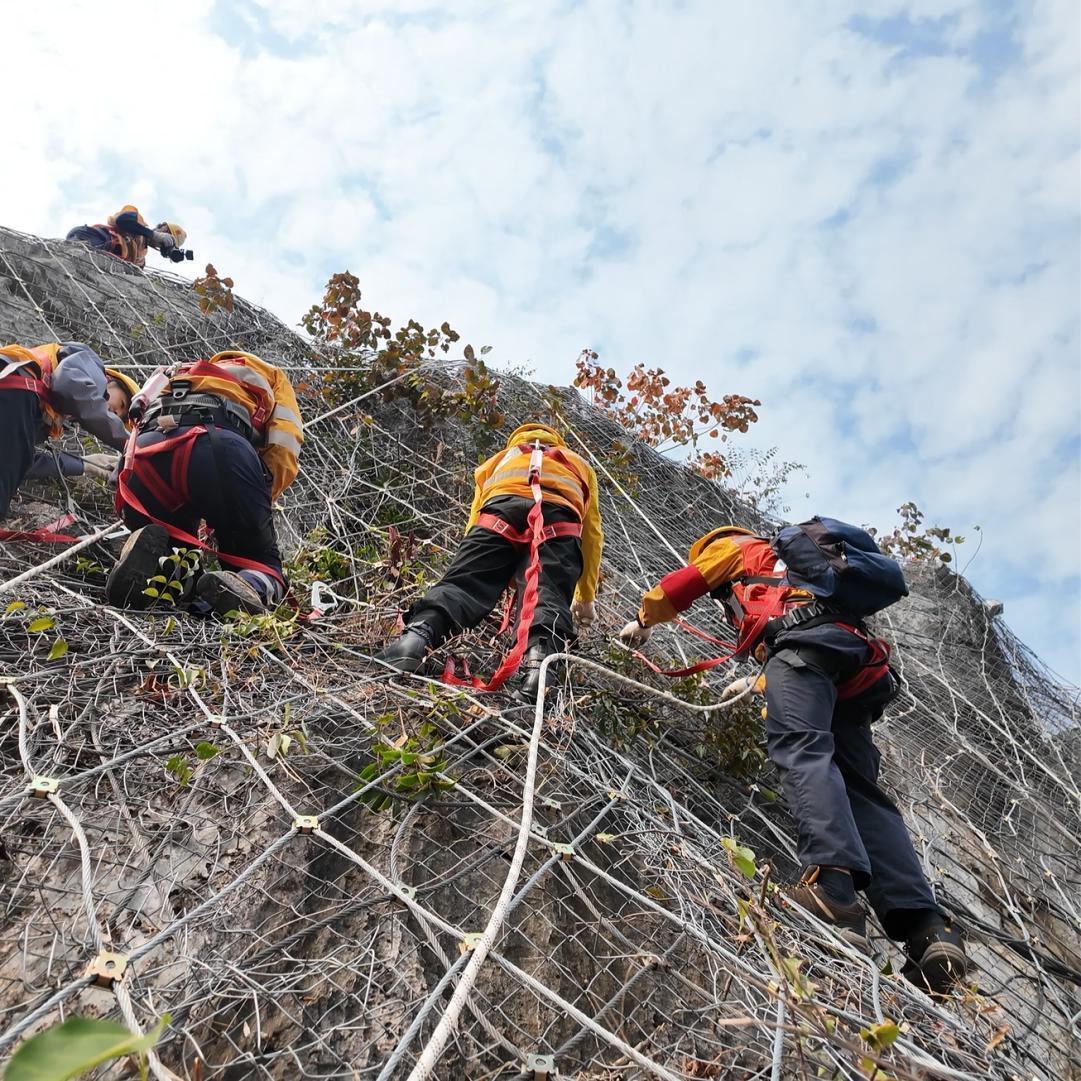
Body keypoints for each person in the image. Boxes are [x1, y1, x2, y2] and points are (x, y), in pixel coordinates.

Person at [619, 521, 969, 994]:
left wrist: (642, 620)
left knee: (801, 750)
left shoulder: (733, 549)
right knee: (862, 791)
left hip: (803, 648)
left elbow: (679, 588)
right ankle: (928, 929)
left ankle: (834, 888)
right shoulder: (801, 570)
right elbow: (808, 628)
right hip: (854, 661)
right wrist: (764, 679)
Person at [376, 422, 603, 697]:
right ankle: (538, 678)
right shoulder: (579, 464)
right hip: (558, 527)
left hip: (496, 519)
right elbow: (591, 534)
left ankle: (412, 642)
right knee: (547, 594)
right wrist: (585, 596)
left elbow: (475, 521)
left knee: (463, 584)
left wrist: (477, 562)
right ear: (558, 441)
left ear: (516, 439)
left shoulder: (497, 461)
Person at [105, 351, 303, 617]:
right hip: (218, 446)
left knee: (180, 553)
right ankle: (250, 584)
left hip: (142, 458)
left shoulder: (177, 372)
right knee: (262, 562)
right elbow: (284, 446)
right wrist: (256, 501)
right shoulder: (271, 376)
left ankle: (157, 568)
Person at [0, 342, 137, 519]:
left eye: (120, 417)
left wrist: (84, 464)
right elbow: (70, 385)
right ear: (111, 381)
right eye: (122, 404)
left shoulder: (39, 415)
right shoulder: (92, 367)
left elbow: (21, 462)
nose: (115, 413)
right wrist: (133, 446)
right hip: (14, 385)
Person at [66, 205, 188, 267]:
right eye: (165, 232)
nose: (163, 239)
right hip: (89, 237)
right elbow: (121, 221)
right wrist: (152, 234)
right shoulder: (138, 223)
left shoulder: (140, 259)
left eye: (167, 242)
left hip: (98, 256)